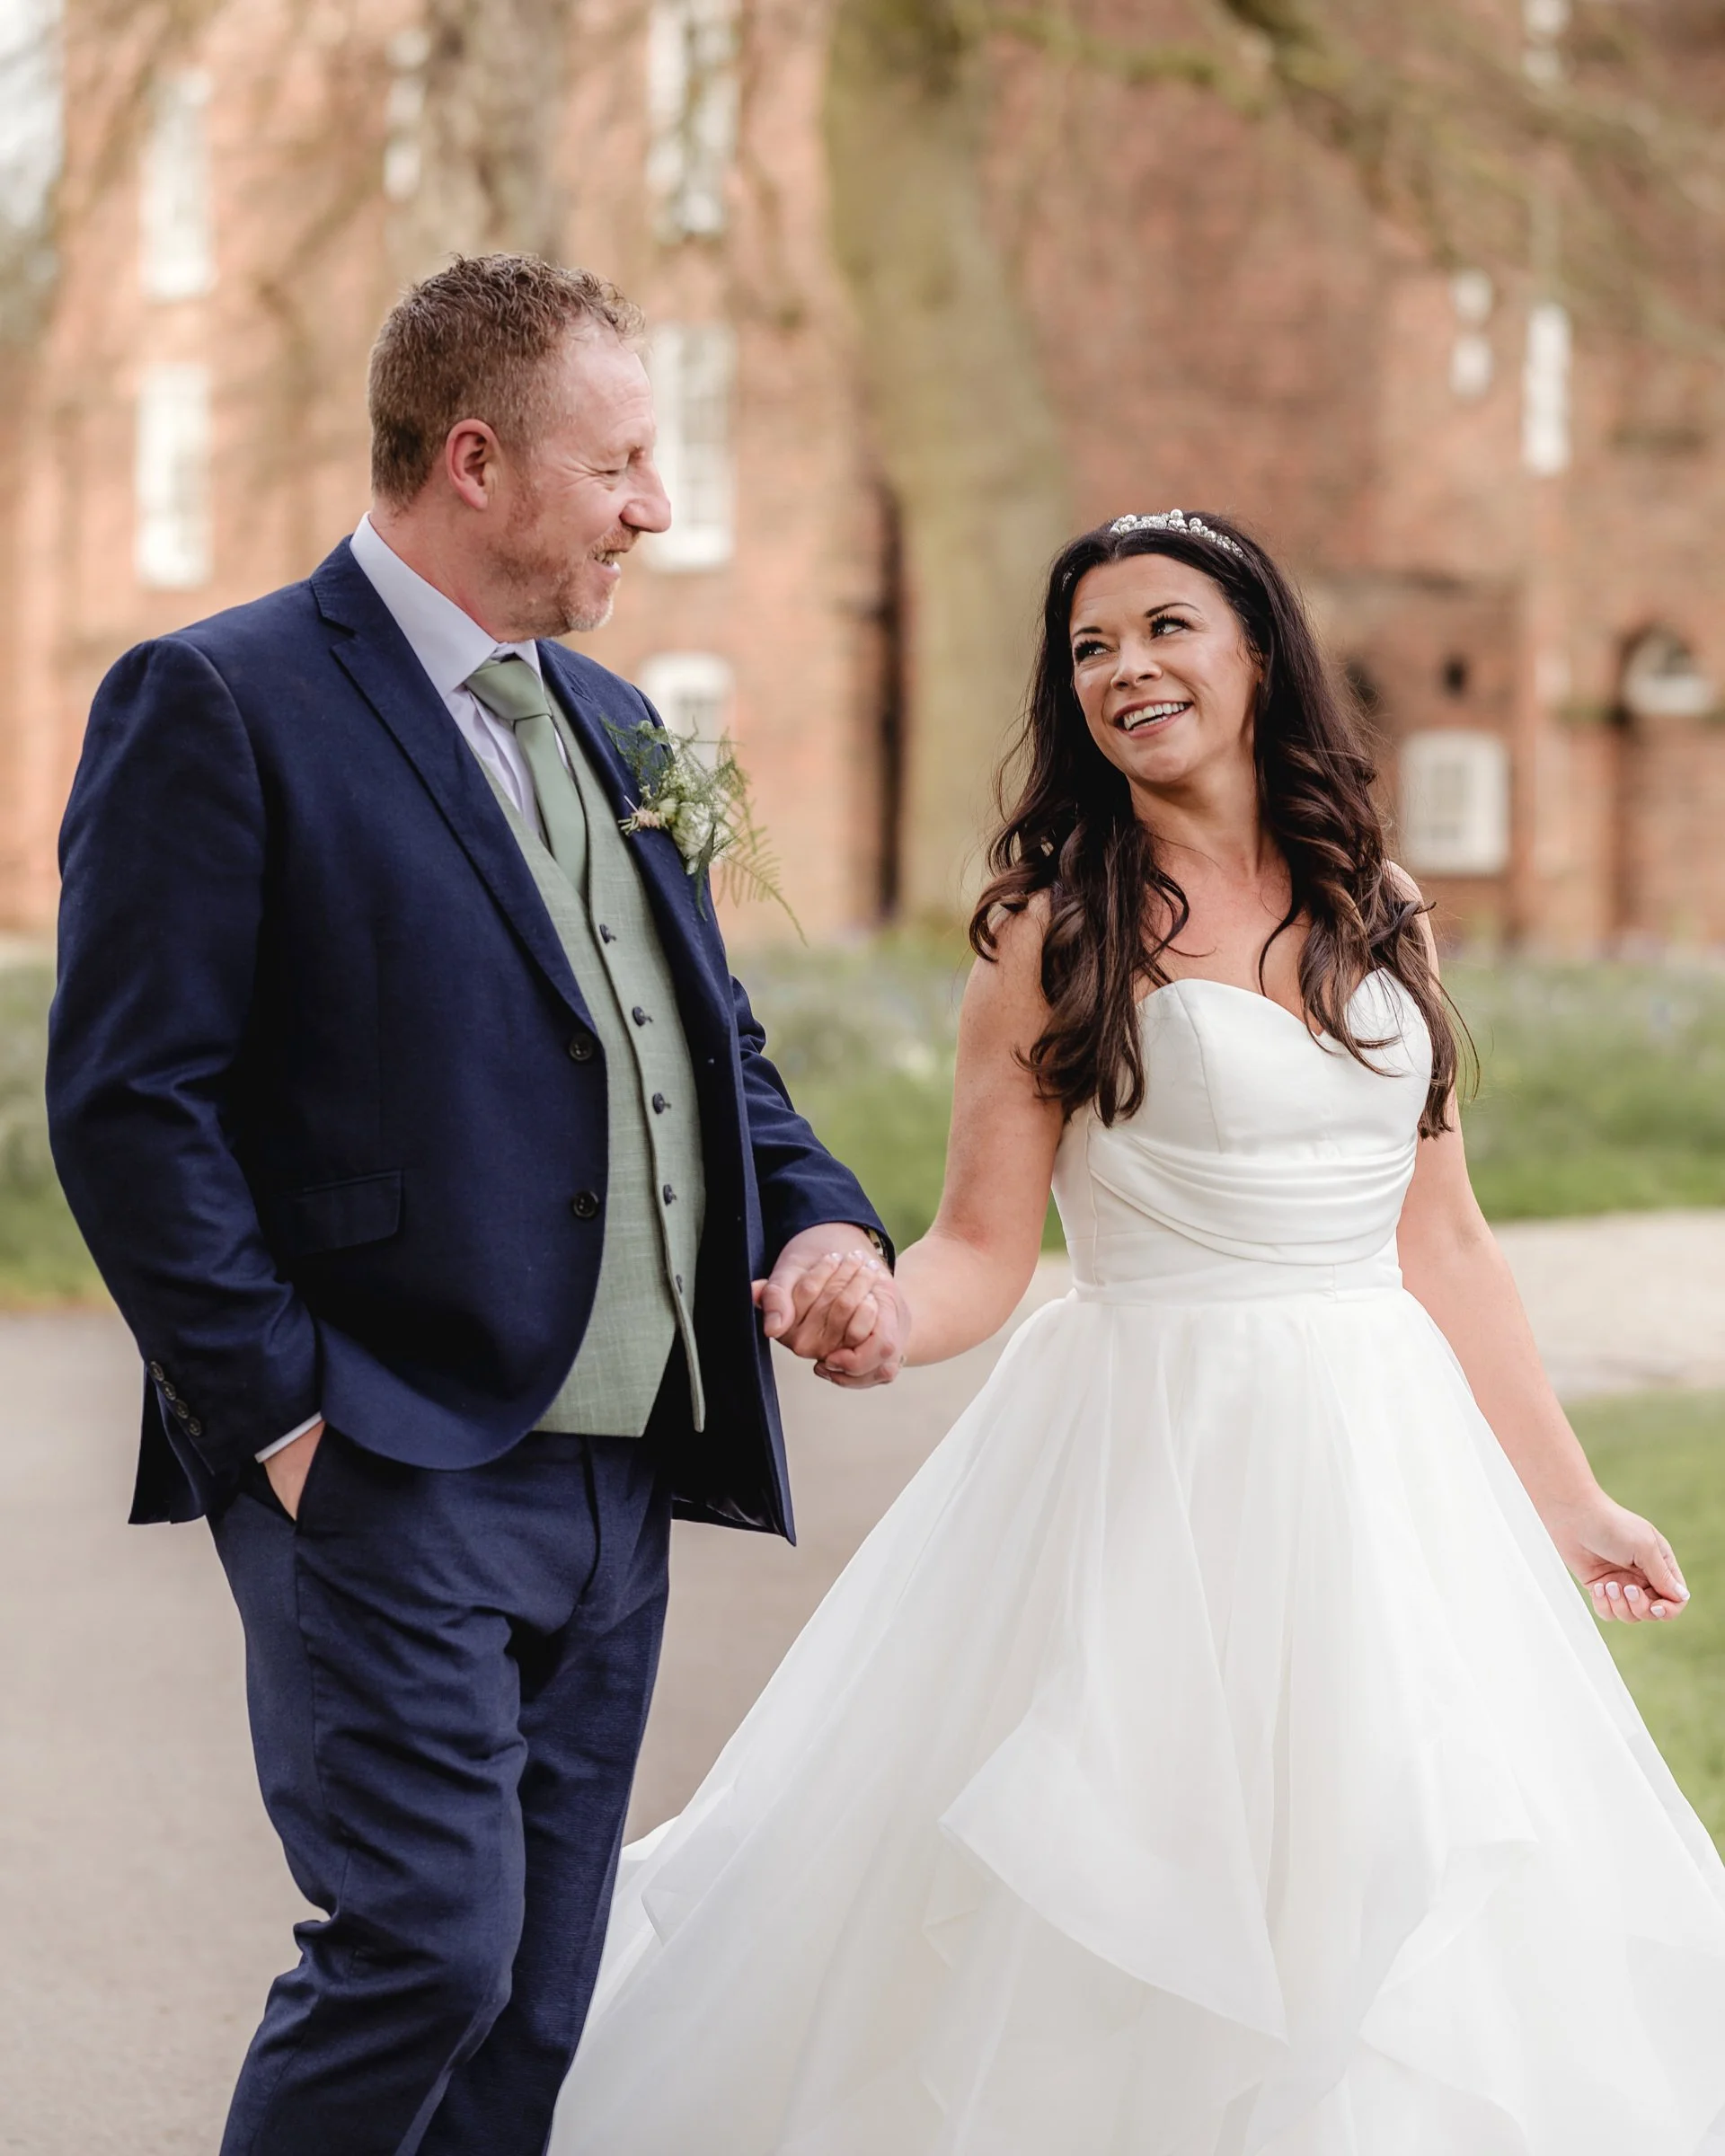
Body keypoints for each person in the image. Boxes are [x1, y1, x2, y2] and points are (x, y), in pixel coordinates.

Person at [553, 510, 1725, 2153]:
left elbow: (1442, 1239)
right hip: (1151, 1462)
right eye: (1093, 650)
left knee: (1389, 1885)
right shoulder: (1052, 931)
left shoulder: (1380, 902)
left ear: (1257, 653)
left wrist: (1569, 1498)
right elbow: (978, 1244)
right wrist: (880, 1314)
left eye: (1167, 629)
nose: (1129, 670)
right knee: (1130, 1885)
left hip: (1386, 1478)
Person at [46, 252, 906, 2156]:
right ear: (476, 461)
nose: (655, 508)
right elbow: (126, 1103)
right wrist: (277, 1416)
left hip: (615, 1479)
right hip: (383, 1447)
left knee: (530, 2006)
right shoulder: (220, 699)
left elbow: (709, 1058)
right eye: (621, 466)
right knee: (423, 1949)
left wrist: (823, 1224)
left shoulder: (611, 724)